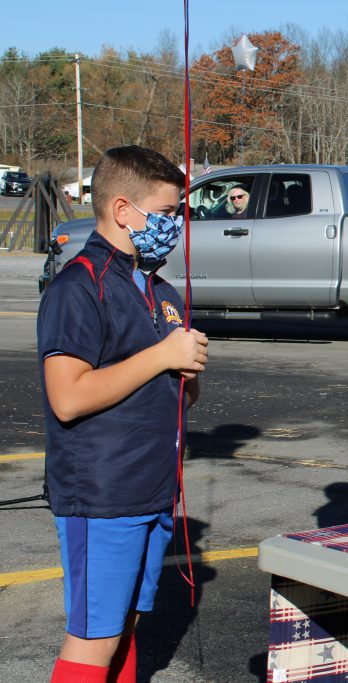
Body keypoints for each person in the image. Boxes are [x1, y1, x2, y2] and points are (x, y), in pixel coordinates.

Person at [37, 145, 209, 683]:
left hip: (153, 489)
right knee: (94, 637)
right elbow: (68, 397)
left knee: (127, 626)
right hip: (103, 493)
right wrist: (160, 356)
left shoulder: (162, 292)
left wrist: (188, 371)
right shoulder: (78, 286)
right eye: (165, 213)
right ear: (121, 210)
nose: (174, 225)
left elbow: (178, 395)